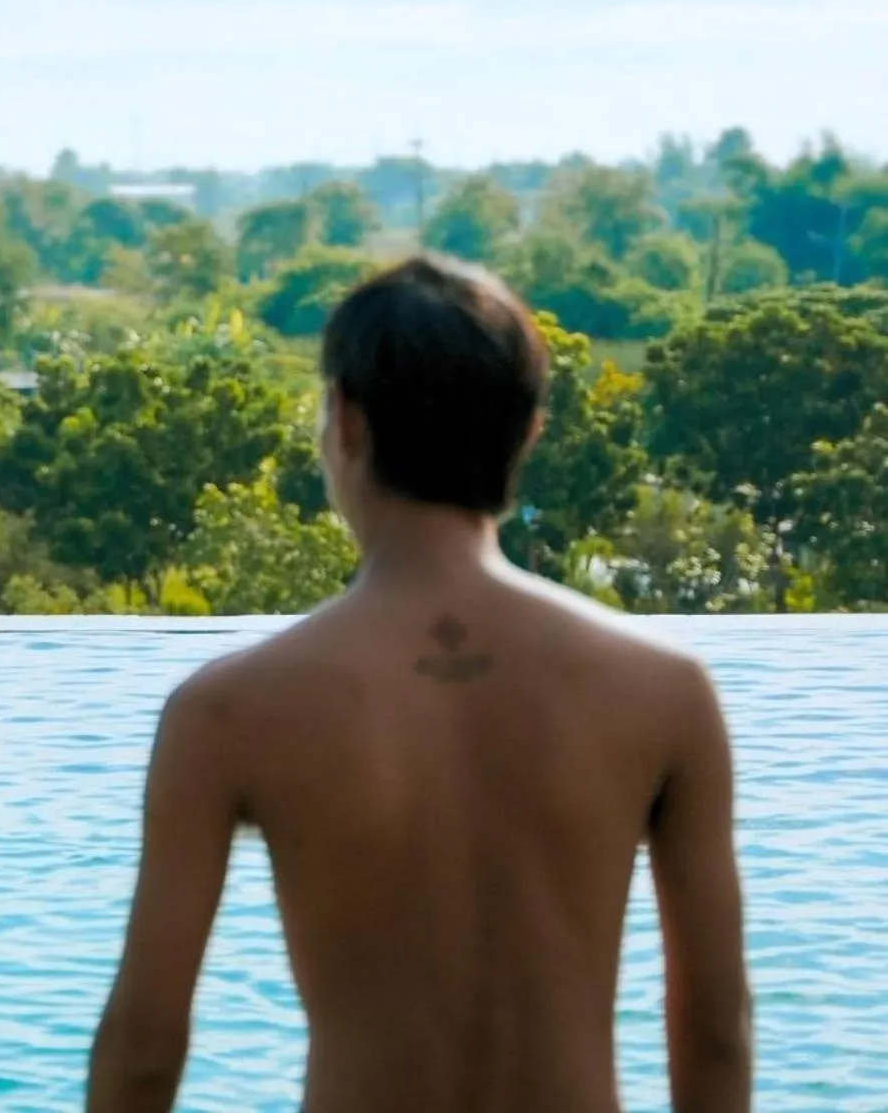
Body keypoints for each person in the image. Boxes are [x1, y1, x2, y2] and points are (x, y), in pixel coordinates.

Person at [88, 255, 751, 1112]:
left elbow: (144, 1047)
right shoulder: (664, 692)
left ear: (347, 423)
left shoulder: (227, 711)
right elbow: (714, 1032)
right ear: (528, 432)